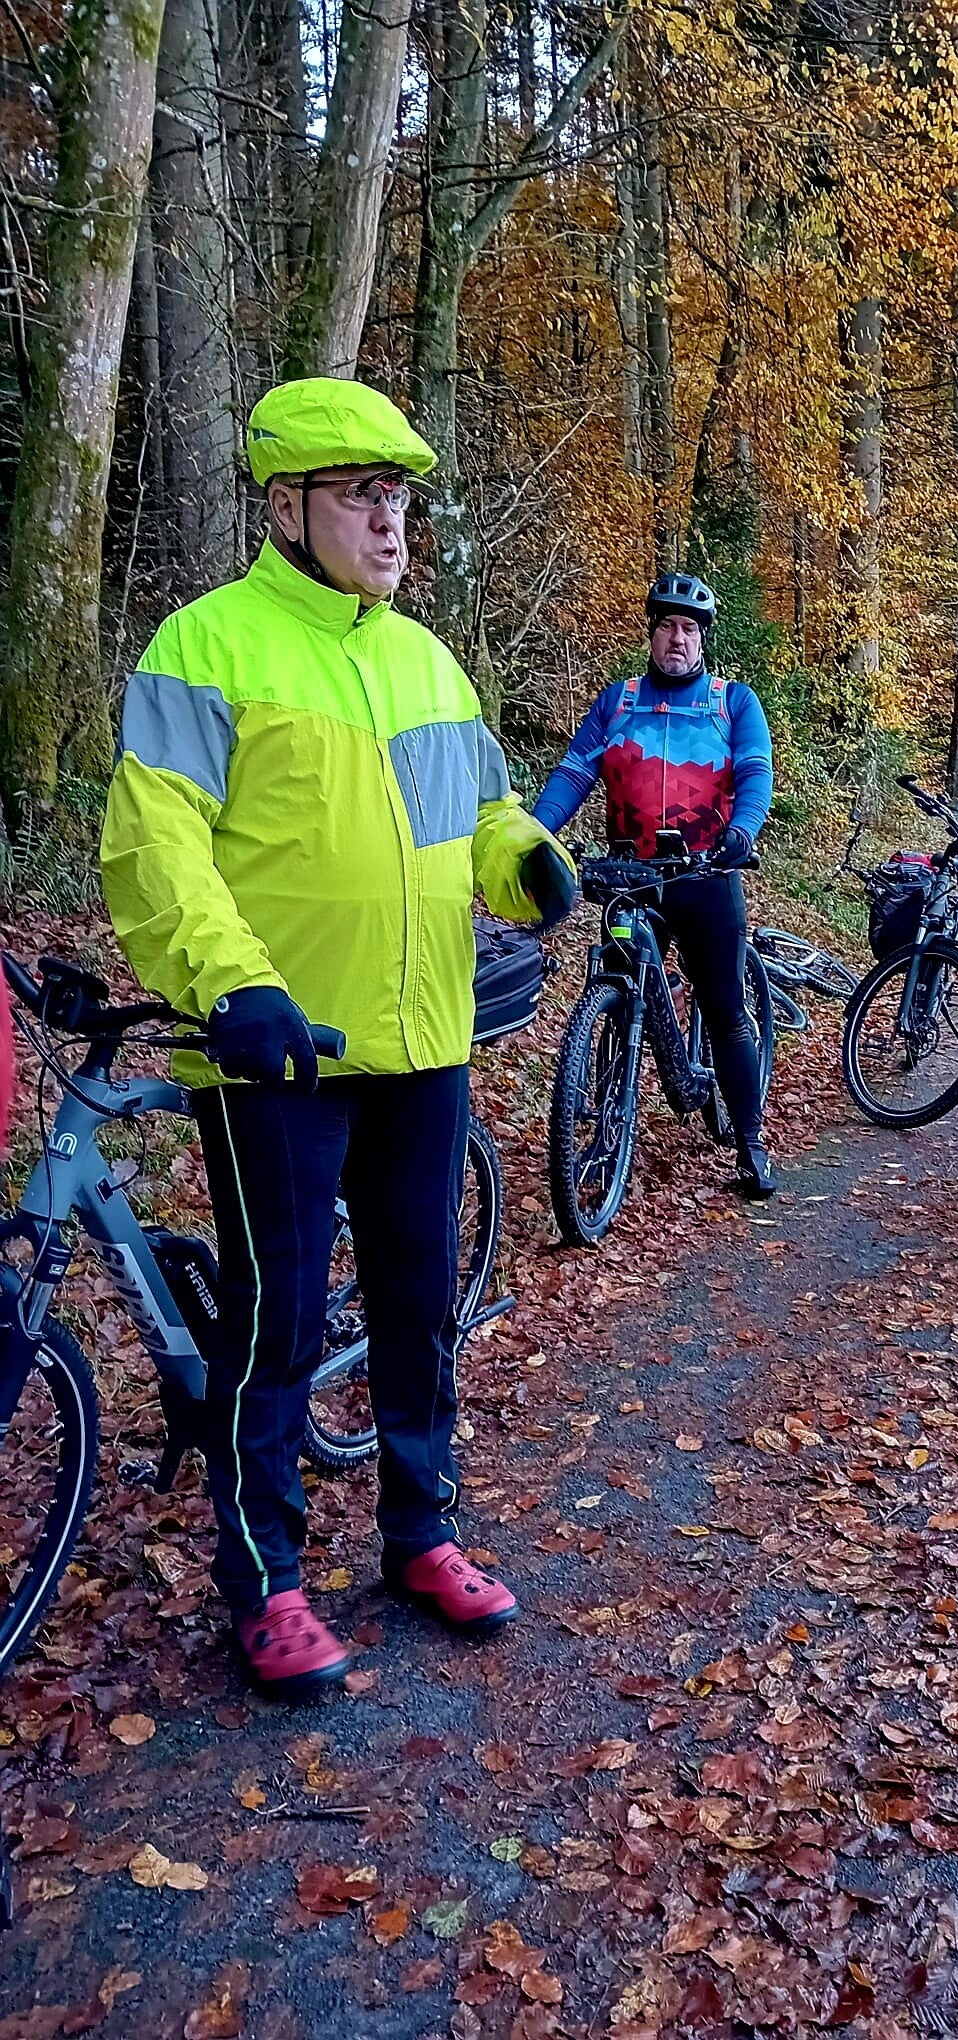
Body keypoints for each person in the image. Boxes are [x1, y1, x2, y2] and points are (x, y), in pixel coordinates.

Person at [100, 377, 576, 1701]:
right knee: (279, 1324)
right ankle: (266, 1581)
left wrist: (525, 860)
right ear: (285, 507)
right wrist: (229, 985)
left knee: (421, 1305)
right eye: (362, 494)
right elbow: (155, 848)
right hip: (279, 1056)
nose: (389, 519)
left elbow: (478, 816)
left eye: (400, 494)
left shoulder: (425, 661)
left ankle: (421, 1532)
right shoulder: (207, 647)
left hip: (423, 1041)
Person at [533, 572, 777, 1196]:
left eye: (688, 628)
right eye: (666, 625)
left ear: (703, 638)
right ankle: (607, 1123)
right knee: (617, 987)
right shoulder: (618, 702)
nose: (677, 638)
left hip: (705, 874)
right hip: (631, 876)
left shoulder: (732, 702)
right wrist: (535, 833)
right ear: (651, 633)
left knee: (724, 1010)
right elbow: (574, 772)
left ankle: (751, 1142)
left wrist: (742, 830)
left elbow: (755, 772)